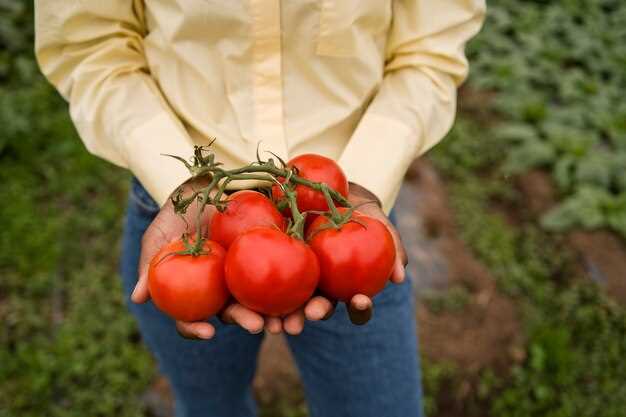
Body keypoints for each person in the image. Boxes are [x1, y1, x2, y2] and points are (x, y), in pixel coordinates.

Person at [35, 1, 485, 416]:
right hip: (186, 223)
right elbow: (91, 45)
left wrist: (366, 178)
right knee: (210, 406)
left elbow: (431, 47)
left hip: (347, 215)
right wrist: (185, 185)